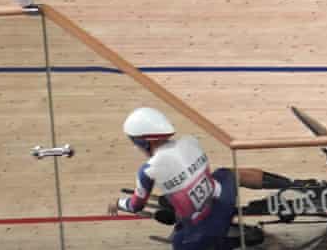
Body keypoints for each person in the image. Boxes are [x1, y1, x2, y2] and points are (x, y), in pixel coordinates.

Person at [107, 107, 299, 249]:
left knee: (180, 243)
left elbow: (136, 205)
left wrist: (118, 203)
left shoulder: (147, 170)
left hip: (207, 225)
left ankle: (241, 239)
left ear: (143, 141)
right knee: (228, 173)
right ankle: (292, 185)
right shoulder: (190, 141)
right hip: (224, 196)